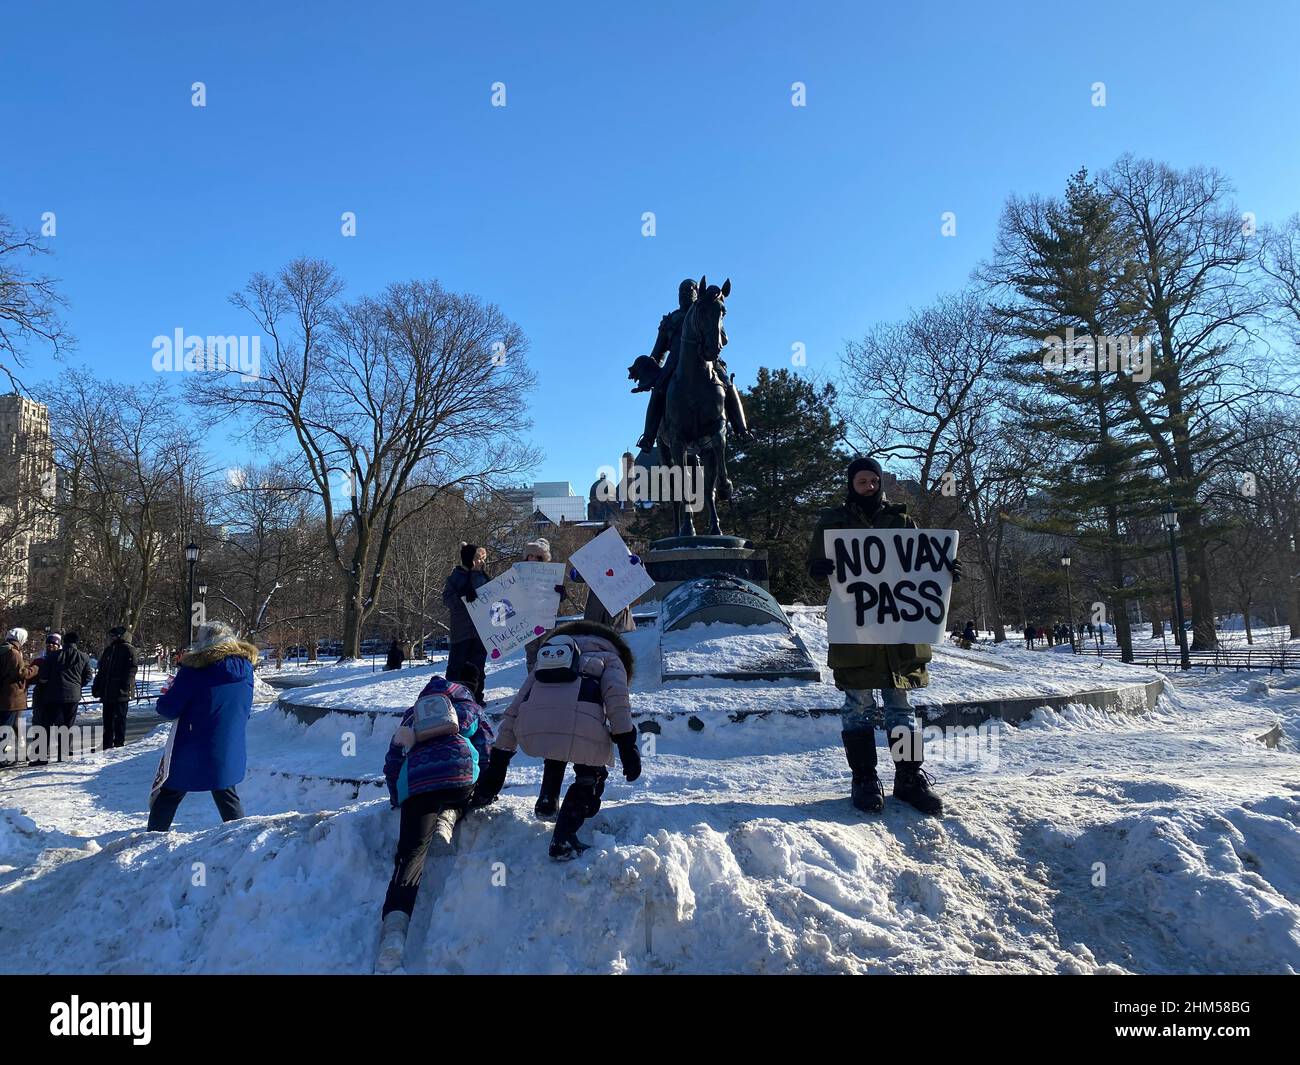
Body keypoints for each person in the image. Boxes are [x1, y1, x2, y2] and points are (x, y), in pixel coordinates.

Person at [807, 456, 959, 817]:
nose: (869, 486)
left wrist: (945, 567)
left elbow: (921, 565)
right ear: (851, 484)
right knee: (857, 706)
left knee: (901, 707)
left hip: (899, 632)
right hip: (855, 629)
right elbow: (815, 568)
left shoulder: (902, 520)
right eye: (862, 481)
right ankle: (864, 780)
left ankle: (908, 779)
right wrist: (819, 567)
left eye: (874, 481)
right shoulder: (832, 522)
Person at [472, 621, 641, 860]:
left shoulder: (549, 657)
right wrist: (627, 746)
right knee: (589, 773)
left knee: (558, 747)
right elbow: (617, 703)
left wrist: (498, 763)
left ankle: (547, 801)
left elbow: (515, 707)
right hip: (580, 727)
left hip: (534, 728)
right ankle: (563, 839)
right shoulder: (611, 659)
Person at [375, 672, 493, 974]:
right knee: (460, 790)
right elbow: (487, 748)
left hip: (419, 784)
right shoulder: (471, 709)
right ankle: (450, 817)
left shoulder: (413, 715)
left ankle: (393, 939)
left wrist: (397, 798)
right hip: (459, 777)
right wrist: (482, 791)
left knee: (410, 856)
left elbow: (394, 759)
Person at [147, 621, 256, 832]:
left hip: (193, 744)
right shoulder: (246, 668)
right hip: (229, 741)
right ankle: (239, 837)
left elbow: (168, 709)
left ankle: (152, 838)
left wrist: (168, 693)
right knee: (226, 791)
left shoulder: (194, 670)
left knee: (169, 792)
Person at [31, 632, 93, 764]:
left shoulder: (52, 656)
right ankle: (62, 754)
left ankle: (41, 757)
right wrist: (77, 685)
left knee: (46, 726)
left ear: (63, 642)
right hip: (73, 696)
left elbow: (43, 677)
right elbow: (88, 676)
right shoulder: (84, 657)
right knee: (67, 725)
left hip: (53, 696)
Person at [442, 543, 489, 704]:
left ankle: (476, 697)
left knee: (478, 667)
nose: (481, 562)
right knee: (457, 666)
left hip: (480, 631)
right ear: (469, 559)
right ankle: (452, 696)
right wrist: (462, 597)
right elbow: (447, 599)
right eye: (477, 558)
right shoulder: (456, 576)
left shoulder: (484, 577)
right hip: (461, 631)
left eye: (483, 559)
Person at [521, 538, 568, 674]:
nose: (534, 559)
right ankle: (532, 682)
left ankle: (545, 683)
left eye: (538, 556)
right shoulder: (521, 573)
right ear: (527, 557)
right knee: (531, 654)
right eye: (531, 555)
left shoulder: (552, 575)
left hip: (546, 620)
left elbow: (558, 599)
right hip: (527, 622)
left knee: (547, 651)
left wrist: (562, 593)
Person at [93, 625, 138, 750]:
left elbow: (132, 669)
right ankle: (107, 744)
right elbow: (102, 671)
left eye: (113, 636)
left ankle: (119, 743)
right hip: (107, 691)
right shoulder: (109, 650)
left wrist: (125, 685)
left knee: (119, 719)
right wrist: (97, 686)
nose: (110, 639)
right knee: (107, 721)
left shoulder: (128, 649)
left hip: (120, 692)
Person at [1, 628, 39, 767]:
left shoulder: (3, 649)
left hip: (4, 696)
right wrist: (34, 669)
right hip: (11, 697)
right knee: (6, 728)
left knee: (9, 727)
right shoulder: (14, 653)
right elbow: (21, 673)